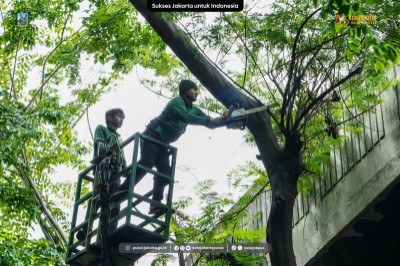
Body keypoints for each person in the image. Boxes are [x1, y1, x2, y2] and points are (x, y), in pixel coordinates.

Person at [119, 79, 225, 214]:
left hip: (163, 143)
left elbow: (209, 122)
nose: (197, 92)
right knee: (146, 163)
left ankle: (155, 203)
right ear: (185, 91)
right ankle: (122, 190)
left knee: (165, 172)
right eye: (194, 89)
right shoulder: (177, 102)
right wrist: (209, 120)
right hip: (152, 135)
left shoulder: (194, 109)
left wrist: (225, 120)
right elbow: (186, 117)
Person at [77, 108, 126, 240]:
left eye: (123, 118)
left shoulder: (119, 139)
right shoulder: (102, 129)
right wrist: (106, 151)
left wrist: (127, 169)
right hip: (104, 172)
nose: (121, 120)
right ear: (110, 117)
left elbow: (122, 157)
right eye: (119, 116)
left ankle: (110, 234)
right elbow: (99, 143)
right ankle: (85, 228)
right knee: (98, 199)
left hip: (116, 176)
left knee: (115, 204)